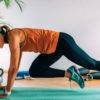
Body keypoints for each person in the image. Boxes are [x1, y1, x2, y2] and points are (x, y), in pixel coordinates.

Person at [0, 25, 100, 98]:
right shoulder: (13, 38)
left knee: (91, 64)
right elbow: (16, 66)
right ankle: (71, 74)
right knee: (35, 71)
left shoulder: (13, 36)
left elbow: (13, 67)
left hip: (62, 41)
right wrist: (8, 87)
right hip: (53, 48)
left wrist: (7, 92)